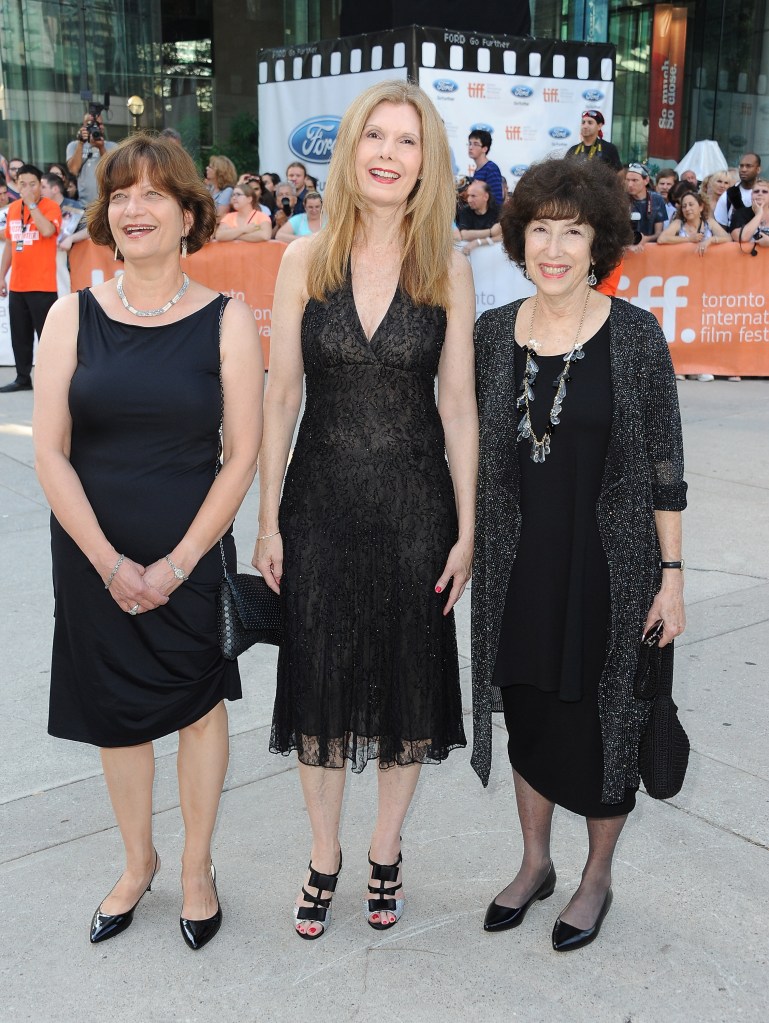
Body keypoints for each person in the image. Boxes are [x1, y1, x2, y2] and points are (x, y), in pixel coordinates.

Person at [253, 79, 477, 940]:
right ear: (349, 152)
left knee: (403, 685)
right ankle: (324, 854)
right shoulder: (302, 259)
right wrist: (268, 519)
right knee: (318, 686)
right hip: (319, 507)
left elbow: (458, 407)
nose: (387, 153)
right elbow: (279, 399)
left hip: (416, 511)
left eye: (406, 140)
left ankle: (384, 849)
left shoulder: (446, 267)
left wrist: (466, 528)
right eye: (373, 136)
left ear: (427, 162)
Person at [32, 133, 263, 950]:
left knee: (198, 710)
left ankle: (197, 868)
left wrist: (174, 564)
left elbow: (243, 455)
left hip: (189, 555)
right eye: (119, 194)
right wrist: (108, 563)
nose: (133, 209)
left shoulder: (228, 321)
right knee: (117, 718)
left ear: (189, 212)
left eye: (153, 194)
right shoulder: (72, 314)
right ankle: (138, 863)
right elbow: (50, 450)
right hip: (92, 556)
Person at [472, 157, 687, 952]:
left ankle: (595, 874)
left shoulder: (633, 334)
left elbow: (666, 462)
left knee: (606, 726)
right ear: (517, 238)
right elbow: (466, 453)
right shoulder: (491, 335)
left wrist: (670, 578)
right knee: (527, 710)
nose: (554, 247)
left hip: (613, 566)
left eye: (573, 231)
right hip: (518, 565)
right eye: (540, 229)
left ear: (598, 242)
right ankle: (534, 863)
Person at [0, 164, 62, 393]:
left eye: (32, 184)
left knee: (47, 337)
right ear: (16, 185)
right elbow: (10, 243)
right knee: (20, 336)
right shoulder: (13, 209)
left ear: (40, 186)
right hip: (18, 284)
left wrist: (32, 205)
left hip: (43, 286)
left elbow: (47, 231)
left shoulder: (51, 207)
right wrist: (1, 277)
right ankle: (22, 378)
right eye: (22, 184)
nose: (27, 188)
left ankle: (54, 381)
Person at [66, 112, 118, 204]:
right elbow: (73, 170)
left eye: (99, 124)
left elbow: (113, 170)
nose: (96, 127)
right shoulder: (74, 145)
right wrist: (81, 142)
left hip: (107, 204)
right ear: (83, 127)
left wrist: (101, 148)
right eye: (90, 124)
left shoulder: (113, 146)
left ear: (103, 127)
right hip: (84, 206)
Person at [658, 191, 730, 254]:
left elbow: (728, 238)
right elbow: (661, 239)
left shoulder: (709, 222)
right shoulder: (678, 223)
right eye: (684, 206)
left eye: (691, 205)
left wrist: (710, 240)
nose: (687, 209)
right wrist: (689, 239)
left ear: (701, 207)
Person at [714, 152, 761, 229]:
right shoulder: (728, 194)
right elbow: (721, 226)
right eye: (741, 166)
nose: (743, 169)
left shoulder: (765, 193)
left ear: (758, 169)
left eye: (748, 166)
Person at [454, 180, 502, 255]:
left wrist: (478, 242)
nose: (469, 200)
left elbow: (503, 237)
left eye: (473, 196)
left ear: (486, 197)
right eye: (468, 196)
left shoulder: (499, 211)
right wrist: (491, 232)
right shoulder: (465, 211)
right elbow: (464, 235)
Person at [625, 162, 666, 242]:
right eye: (628, 180)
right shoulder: (622, 199)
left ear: (646, 180)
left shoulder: (657, 199)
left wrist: (646, 239)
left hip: (650, 248)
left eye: (634, 180)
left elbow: (659, 233)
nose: (630, 184)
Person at [467, 129, 503, 205]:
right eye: (470, 143)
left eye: (475, 144)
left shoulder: (491, 168)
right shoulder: (478, 169)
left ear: (484, 149)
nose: (470, 147)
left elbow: (497, 200)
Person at [731, 177, 769, 248]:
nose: (760, 194)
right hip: (747, 258)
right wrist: (759, 214)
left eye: (765, 192)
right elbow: (742, 238)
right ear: (751, 195)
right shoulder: (740, 213)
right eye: (756, 191)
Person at [204, 155, 237, 221]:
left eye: (210, 167)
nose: (206, 168)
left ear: (220, 172)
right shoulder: (210, 188)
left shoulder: (228, 191)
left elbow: (220, 217)